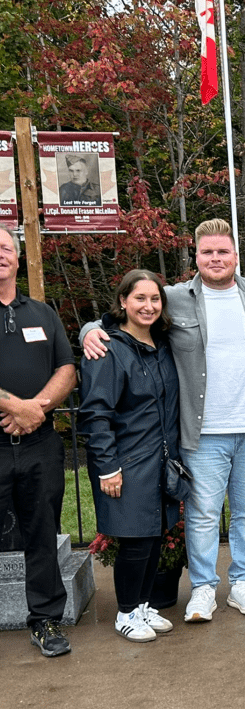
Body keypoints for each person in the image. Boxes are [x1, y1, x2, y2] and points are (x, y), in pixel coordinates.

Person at [81, 219, 245, 624]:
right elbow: (126, 316)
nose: (215, 258)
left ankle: (243, 582)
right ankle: (203, 588)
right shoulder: (174, 297)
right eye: (207, 252)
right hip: (201, 434)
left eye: (223, 251)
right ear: (196, 256)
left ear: (235, 255)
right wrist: (88, 330)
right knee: (203, 515)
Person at [78, 270, 182, 642]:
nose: (148, 306)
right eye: (140, 298)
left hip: (159, 460)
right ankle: (125, 612)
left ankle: (141, 605)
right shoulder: (107, 349)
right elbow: (96, 413)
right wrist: (108, 467)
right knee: (135, 540)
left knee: (153, 536)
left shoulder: (163, 343)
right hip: (126, 460)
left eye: (155, 299)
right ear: (123, 301)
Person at [0, 226, 76, 657]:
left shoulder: (42, 313)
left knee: (42, 535)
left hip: (39, 446)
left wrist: (36, 410)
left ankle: (45, 620)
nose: (0, 254)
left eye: (5, 247)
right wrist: (16, 406)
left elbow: (66, 369)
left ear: (17, 257)